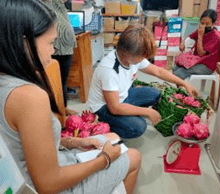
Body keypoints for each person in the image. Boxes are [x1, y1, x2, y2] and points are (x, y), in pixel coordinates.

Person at [0, 0, 141, 193]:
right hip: (52, 184)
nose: (54, 50)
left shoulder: (7, 81)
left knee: (113, 137)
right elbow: (49, 184)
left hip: (43, 165)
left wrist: (73, 142)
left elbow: (23, 144)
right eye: (50, 43)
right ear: (24, 42)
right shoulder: (29, 96)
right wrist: (104, 160)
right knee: (134, 156)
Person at [88, 24, 199, 139]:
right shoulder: (109, 70)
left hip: (122, 96)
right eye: (141, 57)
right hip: (104, 107)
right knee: (138, 127)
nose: (143, 60)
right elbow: (114, 108)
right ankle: (104, 125)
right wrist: (147, 112)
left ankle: (128, 116)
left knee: (154, 94)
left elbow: (158, 72)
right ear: (128, 54)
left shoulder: (131, 57)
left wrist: (184, 83)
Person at [44, 0, 77, 116]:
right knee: (55, 80)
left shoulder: (59, 4)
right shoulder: (44, 5)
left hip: (66, 48)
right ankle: (58, 110)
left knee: (62, 80)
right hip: (56, 47)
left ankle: (63, 108)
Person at [173, 9, 220, 80]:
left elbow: (201, 53)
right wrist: (183, 42)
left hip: (206, 65)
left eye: (207, 24)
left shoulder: (216, 37)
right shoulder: (200, 30)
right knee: (175, 67)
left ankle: (182, 88)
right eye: (202, 23)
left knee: (180, 72)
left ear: (213, 23)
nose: (204, 26)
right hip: (196, 60)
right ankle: (180, 87)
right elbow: (189, 37)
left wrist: (200, 36)